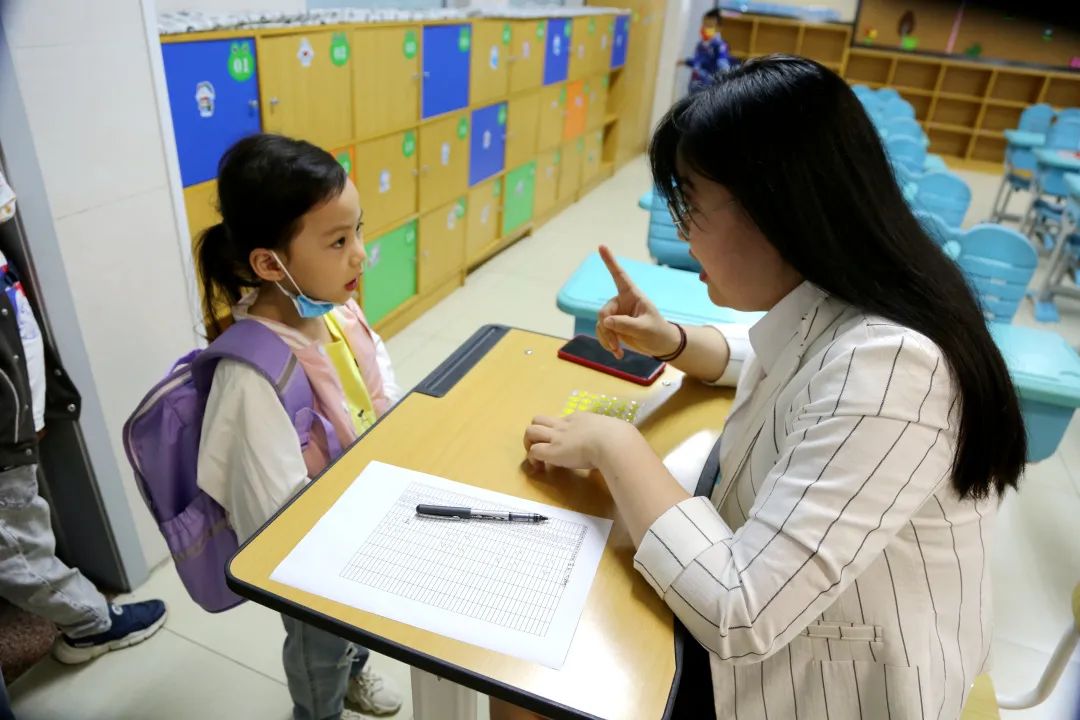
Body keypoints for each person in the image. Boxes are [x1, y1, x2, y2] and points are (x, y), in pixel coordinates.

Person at [522, 55, 1026, 719]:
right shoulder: (850, 298)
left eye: (691, 207)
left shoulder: (895, 367)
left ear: (778, 209)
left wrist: (615, 445)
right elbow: (777, 358)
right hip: (801, 634)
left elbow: (741, 611)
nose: (679, 232)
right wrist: (673, 340)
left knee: (533, 687)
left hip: (832, 687)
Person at [194, 134, 403, 719]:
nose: (361, 254)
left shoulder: (335, 308)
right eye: (339, 241)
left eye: (359, 229)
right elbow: (274, 522)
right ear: (269, 264)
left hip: (364, 522)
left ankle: (353, 673)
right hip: (317, 558)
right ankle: (319, 711)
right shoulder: (250, 377)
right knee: (321, 647)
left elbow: (377, 386)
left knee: (355, 629)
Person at [0, 249, 167, 667]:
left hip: (18, 416)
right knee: (19, 548)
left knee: (24, 530)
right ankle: (91, 622)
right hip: (5, 434)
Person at [681, 7, 733, 93]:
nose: (705, 28)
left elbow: (723, 67)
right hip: (694, 87)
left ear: (718, 28)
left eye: (709, 26)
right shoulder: (701, 45)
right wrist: (685, 61)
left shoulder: (720, 46)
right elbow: (699, 62)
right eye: (704, 24)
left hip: (707, 91)